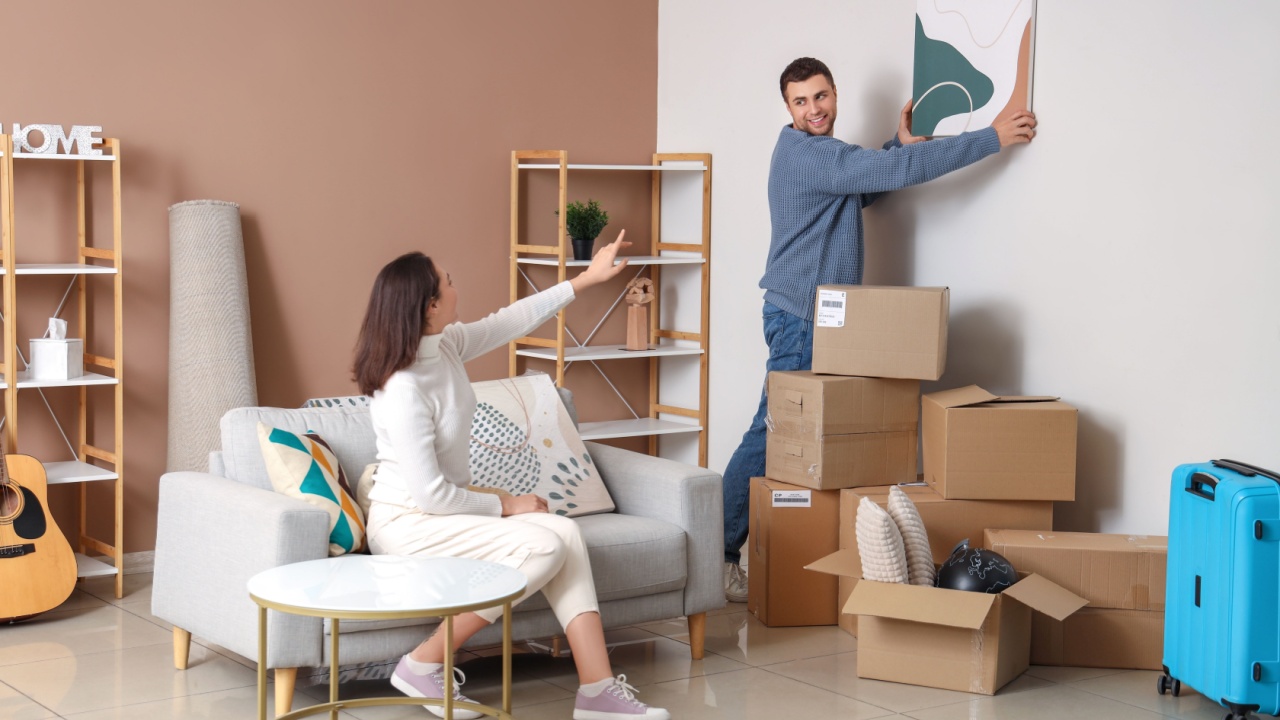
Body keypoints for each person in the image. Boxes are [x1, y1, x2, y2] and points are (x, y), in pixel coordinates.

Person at [720, 57, 1038, 603]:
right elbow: (891, 173)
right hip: (801, 319)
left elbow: (863, 186)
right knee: (770, 432)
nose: (814, 109)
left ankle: (732, 550)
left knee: (783, 431)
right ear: (788, 108)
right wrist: (992, 138)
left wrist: (895, 145)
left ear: (834, 93)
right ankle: (718, 553)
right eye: (801, 101)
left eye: (821, 96)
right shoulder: (810, 154)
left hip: (813, 316)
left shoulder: (819, 156)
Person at [353, 230, 669, 720]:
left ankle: (598, 691)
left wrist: (586, 279)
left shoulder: (446, 345)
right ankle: (422, 663)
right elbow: (431, 495)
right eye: (448, 281)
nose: (456, 286)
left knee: (566, 533)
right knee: (544, 546)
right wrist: (505, 504)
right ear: (430, 306)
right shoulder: (403, 389)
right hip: (407, 523)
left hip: (443, 513)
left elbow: (511, 319)